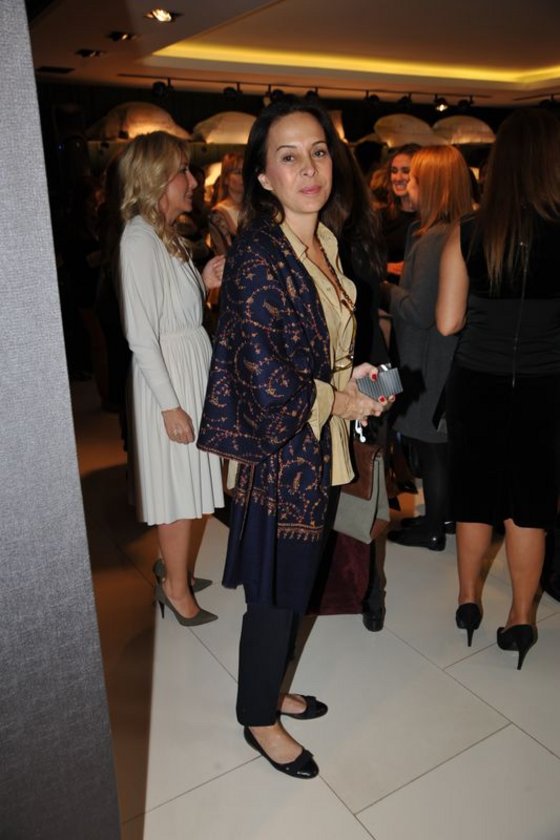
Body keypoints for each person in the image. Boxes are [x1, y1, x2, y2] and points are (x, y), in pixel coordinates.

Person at [198, 97, 392, 778]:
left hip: (314, 446)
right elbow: (262, 371)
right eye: (289, 156)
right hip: (281, 454)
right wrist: (340, 398)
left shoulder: (324, 243)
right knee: (277, 589)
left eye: (318, 152)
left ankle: (272, 689)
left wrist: (352, 372)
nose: (309, 168)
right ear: (262, 175)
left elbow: (322, 342)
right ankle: (258, 718)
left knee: (296, 580)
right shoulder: (258, 254)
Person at [437, 108, 560, 669]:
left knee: (474, 496)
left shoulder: (468, 230)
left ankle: (467, 602)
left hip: (477, 384)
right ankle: (521, 618)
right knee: (528, 507)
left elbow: (447, 322)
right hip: (545, 389)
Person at [118, 131, 225, 627]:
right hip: (169, 377)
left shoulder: (163, 233)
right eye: (183, 170)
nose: (193, 180)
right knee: (177, 490)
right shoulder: (139, 238)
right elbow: (140, 333)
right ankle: (175, 590)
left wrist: (203, 284)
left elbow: (169, 309)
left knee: (184, 481)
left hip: (184, 366)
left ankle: (174, 569)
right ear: (158, 178)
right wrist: (170, 404)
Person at [382, 145, 473, 550]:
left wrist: (384, 290)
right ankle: (443, 517)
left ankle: (435, 525)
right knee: (438, 446)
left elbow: (420, 311)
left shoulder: (434, 237)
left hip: (428, 358)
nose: (406, 184)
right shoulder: (446, 230)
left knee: (432, 446)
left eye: (414, 178)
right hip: (437, 356)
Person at [208, 151, 244, 255]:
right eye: (238, 173)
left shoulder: (254, 209)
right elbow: (222, 253)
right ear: (226, 179)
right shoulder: (218, 213)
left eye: (245, 172)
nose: (244, 177)